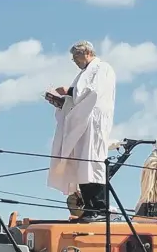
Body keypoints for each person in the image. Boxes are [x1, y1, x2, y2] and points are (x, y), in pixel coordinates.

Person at [47, 40, 116, 220]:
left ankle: (100, 209)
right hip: (82, 123)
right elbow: (79, 97)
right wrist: (62, 102)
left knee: (93, 163)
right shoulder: (84, 73)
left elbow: (91, 91)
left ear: (86, 52)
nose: (75, 61)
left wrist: (68, 91)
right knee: (82, 165)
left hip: (93, 122)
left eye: (76, 57)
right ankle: (90, 208)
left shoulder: (102, 68)